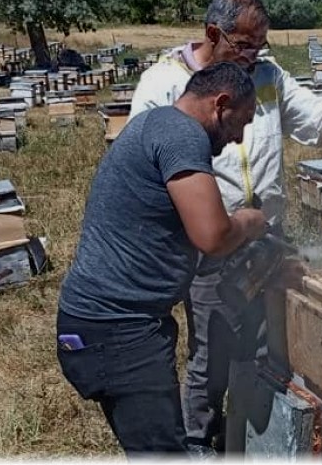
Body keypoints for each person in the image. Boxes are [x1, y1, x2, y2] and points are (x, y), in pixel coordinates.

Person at [128, 0, 322, 455]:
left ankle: (261, 439)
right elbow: (143, 166)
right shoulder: (162, 85)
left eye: (261, 45)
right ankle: (201, 443)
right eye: (245, 45)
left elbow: (317, 120)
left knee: (275, 344)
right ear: (213, 34)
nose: (255, 55)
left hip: (267, 237)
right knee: (212, 357)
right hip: (209, 243)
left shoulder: (269, 76)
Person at [56, 62, 266, 456]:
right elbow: (214, 237)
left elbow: (174, 233)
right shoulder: (182, 134)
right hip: (119, 331)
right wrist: (248, 222)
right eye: (243, 121)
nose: (239, 137)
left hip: (109, 325)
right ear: (221, 104)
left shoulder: (158, 122)